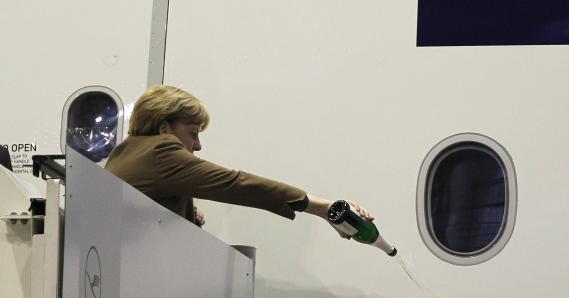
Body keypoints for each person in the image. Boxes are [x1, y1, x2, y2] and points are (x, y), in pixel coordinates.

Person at [105, 85, 370, 231]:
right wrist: (321, 207)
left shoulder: (122, 154)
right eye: (193, 133)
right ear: (164, 128)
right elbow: (235, 184)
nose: (197, 146)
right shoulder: (161, 152)